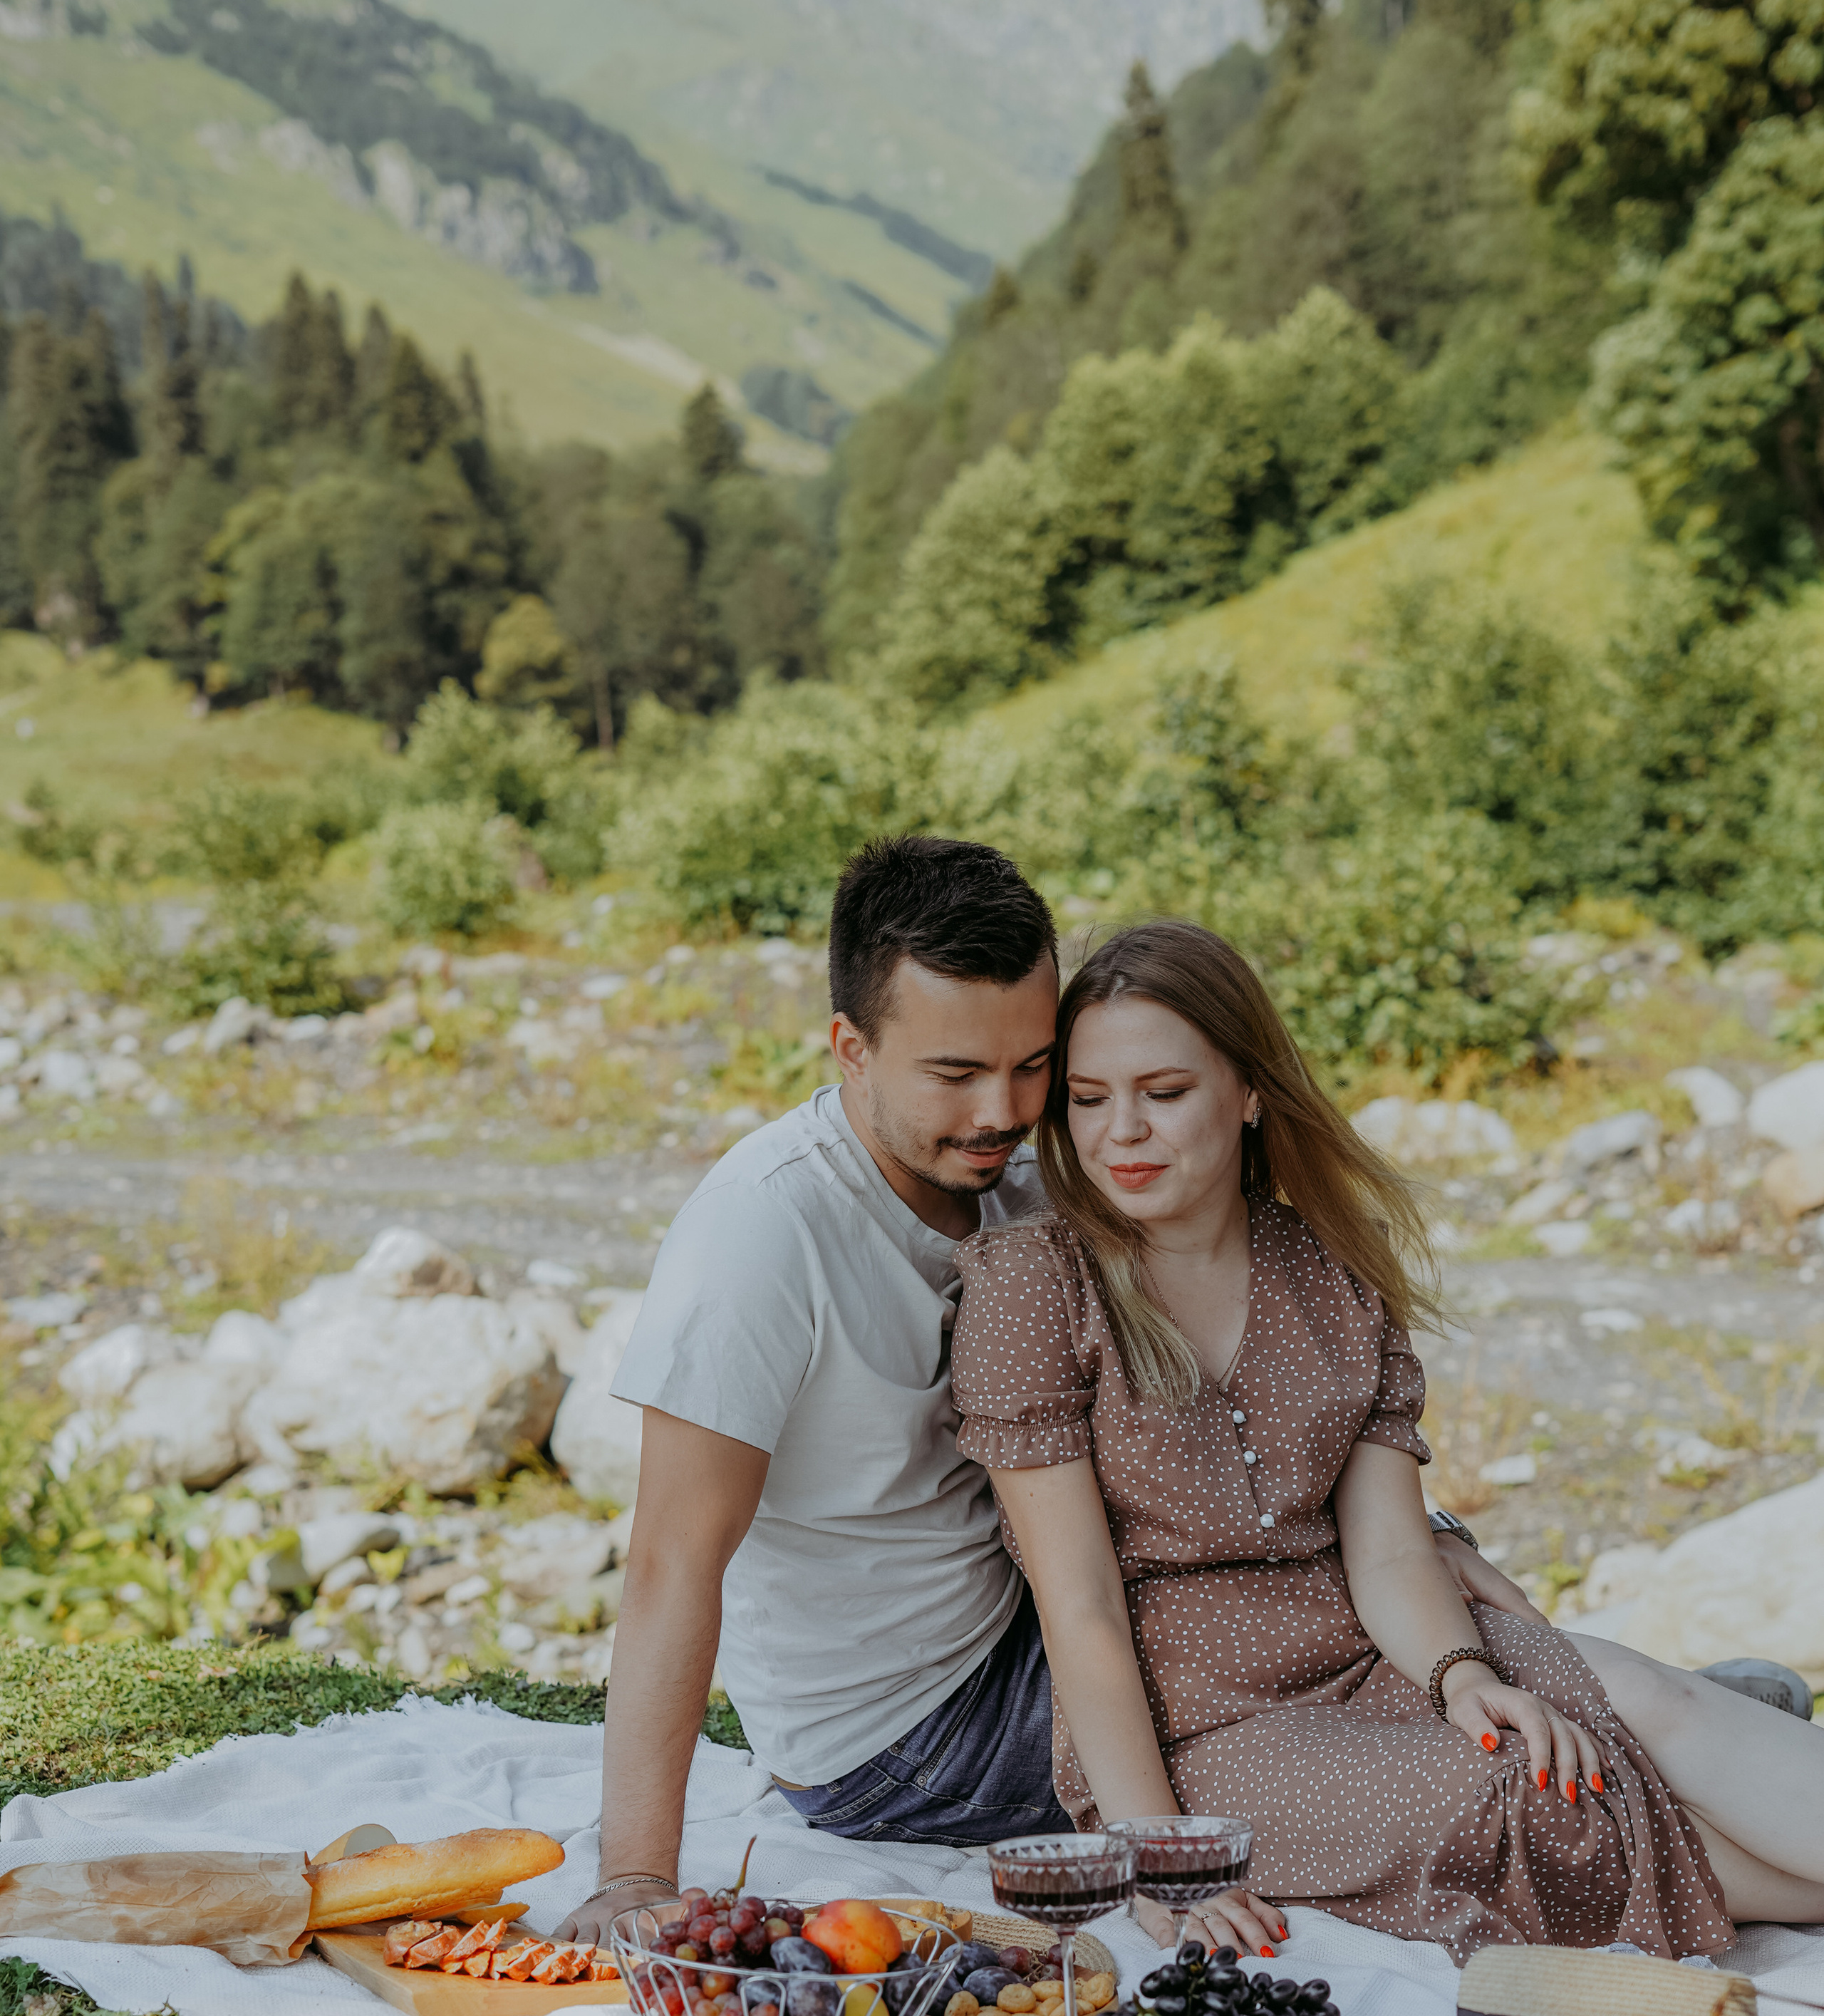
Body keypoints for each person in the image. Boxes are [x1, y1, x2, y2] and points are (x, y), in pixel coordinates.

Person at [556, 838, 1523, 1959]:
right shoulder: (763, 1239)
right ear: (850, 1048)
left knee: (1404, 1591)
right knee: (1310, 1695)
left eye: (1033, 1068)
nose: (1006, 1111)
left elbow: (1234, 1394)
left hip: (1053, 1609)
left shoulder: (1024, 1169)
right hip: (913, 1732)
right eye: (956, 1074)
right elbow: (674, 1558)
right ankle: (1635, 1768)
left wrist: (1400, 1532)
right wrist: (634, 1874)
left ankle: (1650, 1732)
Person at [950, 919, 1824, 1963]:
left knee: (1645, 1697)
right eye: (1089, 1101)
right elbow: (1079, 1609)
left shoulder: (1328, 1269)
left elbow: (1391, 1548)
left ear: (1250, 1092)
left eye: (1165, 1094)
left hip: (1375, 1646)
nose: (1121, 1133)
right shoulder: (1035, 1288)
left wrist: (1461, 1675)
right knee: (1532, 1791)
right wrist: (1158, 1851)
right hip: (1205, 1730)